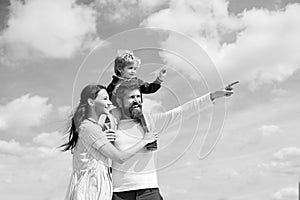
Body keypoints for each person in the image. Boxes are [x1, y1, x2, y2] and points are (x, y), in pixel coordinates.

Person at [111, 79, 236, 200]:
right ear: (120, 101)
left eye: (138, 97)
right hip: (120, 193)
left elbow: (181, 112)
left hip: (149, 191)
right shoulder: (111, 126)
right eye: (131, 97)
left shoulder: (151, 122)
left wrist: (213, 96)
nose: (136, 101)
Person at [60, 84, 157, 200]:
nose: (110, 103)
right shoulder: (89, 128)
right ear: (91, 102)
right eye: (105, 99)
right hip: (91, 188)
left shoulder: (93, 128)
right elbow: (119, 158)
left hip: (99, 186)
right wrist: (144, 140)